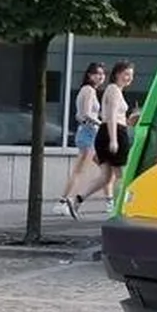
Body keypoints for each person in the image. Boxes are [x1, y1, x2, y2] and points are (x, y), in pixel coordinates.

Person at [73, 62, 135, 211]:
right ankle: (121, 208)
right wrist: (114, 140)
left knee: (106, 176)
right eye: (126, 74)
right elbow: (111, 116)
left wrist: (129, 121)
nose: (129, 78)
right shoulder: (113, 89)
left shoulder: (115, 90)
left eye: (131, 75)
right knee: (121, 174)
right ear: (117, 74)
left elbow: (112, 115)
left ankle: (78, 199)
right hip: (113, 133)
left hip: (109, 131)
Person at [60, 63, 106, 218]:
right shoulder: (88, 90)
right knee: (80, 170)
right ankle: (64, 201)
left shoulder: (89, 91)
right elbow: (86, 114)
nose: (101, 77)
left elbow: (80, 115)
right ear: (89, 75)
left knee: (106, 168)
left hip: (89, 133)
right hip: (88, 134)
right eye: (97, 74)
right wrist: (102, 124)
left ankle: (110, 200)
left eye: (102, 74)